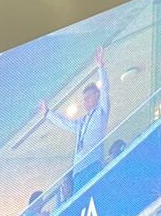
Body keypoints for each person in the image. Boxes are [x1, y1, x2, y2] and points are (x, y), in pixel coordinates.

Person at [39, 47, 110, 194]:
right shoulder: (82, 122)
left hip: (92, 165)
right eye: (84, 99)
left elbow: (105, 90)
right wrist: (48, 113)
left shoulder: (101, 111)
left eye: (89, 98)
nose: (86, 102)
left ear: (97, 96)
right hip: (78, 170)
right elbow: (66, 123)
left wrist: (100, 68)